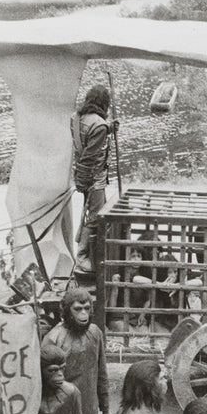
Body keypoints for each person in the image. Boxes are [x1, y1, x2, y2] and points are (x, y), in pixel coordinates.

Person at [71, 85, 118, 276]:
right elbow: (90, 155)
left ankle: (87, 255)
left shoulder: (76, 118)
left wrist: (108, 129)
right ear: (104, 104)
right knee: (95, 218)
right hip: (93, 178)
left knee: (89, 214)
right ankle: (83, 257)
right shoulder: (99, 125)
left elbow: (85, 141)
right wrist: (84, 181)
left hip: (83, 174)